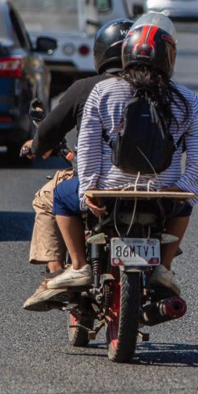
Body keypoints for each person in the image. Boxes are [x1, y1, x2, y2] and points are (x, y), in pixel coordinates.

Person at [42, 17, 198, 297]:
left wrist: (89, 189)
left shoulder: (103, 91)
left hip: (107, 191)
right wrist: (185, 188)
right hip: (162, 194)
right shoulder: (186, 100)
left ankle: (78, 266)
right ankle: (165, 268)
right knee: (184, 205)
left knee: (62, 196)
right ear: (168, 57)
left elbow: (86, 144)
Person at [21, 18, 133, 311]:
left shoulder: (87, 87)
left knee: (49, 197)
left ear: (102, 53)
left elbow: (48, 131)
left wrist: (36, 147)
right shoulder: (157, 89)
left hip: (98, 181)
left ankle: (59, 273)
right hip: (153, 184)